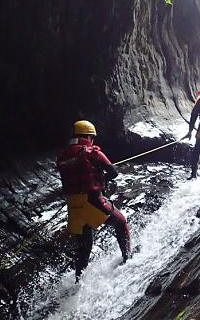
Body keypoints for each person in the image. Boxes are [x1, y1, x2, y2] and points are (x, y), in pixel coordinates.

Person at [57, 120, 131, 281]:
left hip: (73, 206)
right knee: (121, 222)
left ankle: (78, 281)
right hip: (93, 201)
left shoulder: (62, 156)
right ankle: (128, 257)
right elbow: (113, 173)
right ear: (88, 136)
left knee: (84, 248)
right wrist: (101, 176)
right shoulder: (92, 152)